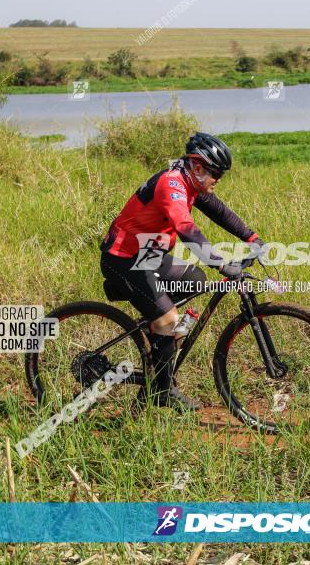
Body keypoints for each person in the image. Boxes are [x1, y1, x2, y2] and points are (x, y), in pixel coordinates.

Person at [99, 132, 264, 412]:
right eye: (216, 174)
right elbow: (186, 228)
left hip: (148, 254)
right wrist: (221, 264)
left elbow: (219, 212)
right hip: (123, 258)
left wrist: (252, 238)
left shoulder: (191, 183)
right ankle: (162, 391)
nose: (218, 180)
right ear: (198, 167)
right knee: (171, 320)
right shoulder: (172, 184)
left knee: (195, 281)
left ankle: (156, 343)